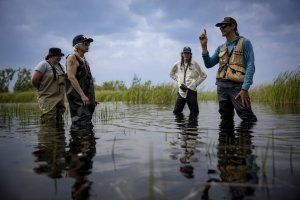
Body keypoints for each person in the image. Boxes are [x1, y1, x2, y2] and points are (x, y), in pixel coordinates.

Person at [199, 17, 257, 122]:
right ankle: (226, 139)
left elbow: (250, 66)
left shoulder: (245, 43)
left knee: (247, 117)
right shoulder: (220, 47)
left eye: (224, 25)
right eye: (220, 26)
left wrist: (244, 89)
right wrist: (204, 47)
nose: (221, 28)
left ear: (233, 26)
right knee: (225, 117)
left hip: (237, 87)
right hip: (221, 86)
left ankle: (246, 138)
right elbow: (209, 64)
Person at [65, 34, 96, 128]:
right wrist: (82, 95)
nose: (88, 46)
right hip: (78, 99)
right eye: (86, 43)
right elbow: (71, 77)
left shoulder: (84, 60)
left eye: (89, 43)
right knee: (81, 123)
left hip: (85, 98)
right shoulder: (72, 57)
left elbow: (85, 81)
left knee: (87, 123)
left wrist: (91, 98)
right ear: (77, 45)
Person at [31, 47, 66, 124]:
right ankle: (46, 135)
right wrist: (42, 89)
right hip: (47, 98)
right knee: (49, 121)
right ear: (51, 56)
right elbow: (34, 80)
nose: (59, 57)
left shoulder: (62, 67)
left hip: (60, 99)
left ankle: (58, 136)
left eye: (60, 56)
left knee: (59, 120)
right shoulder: (44, 64)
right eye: (57, 55)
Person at [170, 46, 207, 117]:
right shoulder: (177, 64)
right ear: (182, 54)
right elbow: (171, 74)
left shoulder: (195, 64)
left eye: (188, 53)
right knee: (176, 112)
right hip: (181, 91)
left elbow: (204, 75)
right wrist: (178, 80)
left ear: (190, 54)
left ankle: (192, 128)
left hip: (191, 91)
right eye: (185, 53)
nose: (186, 54)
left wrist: (195, 84)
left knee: (194, 113)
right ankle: (181, 127)